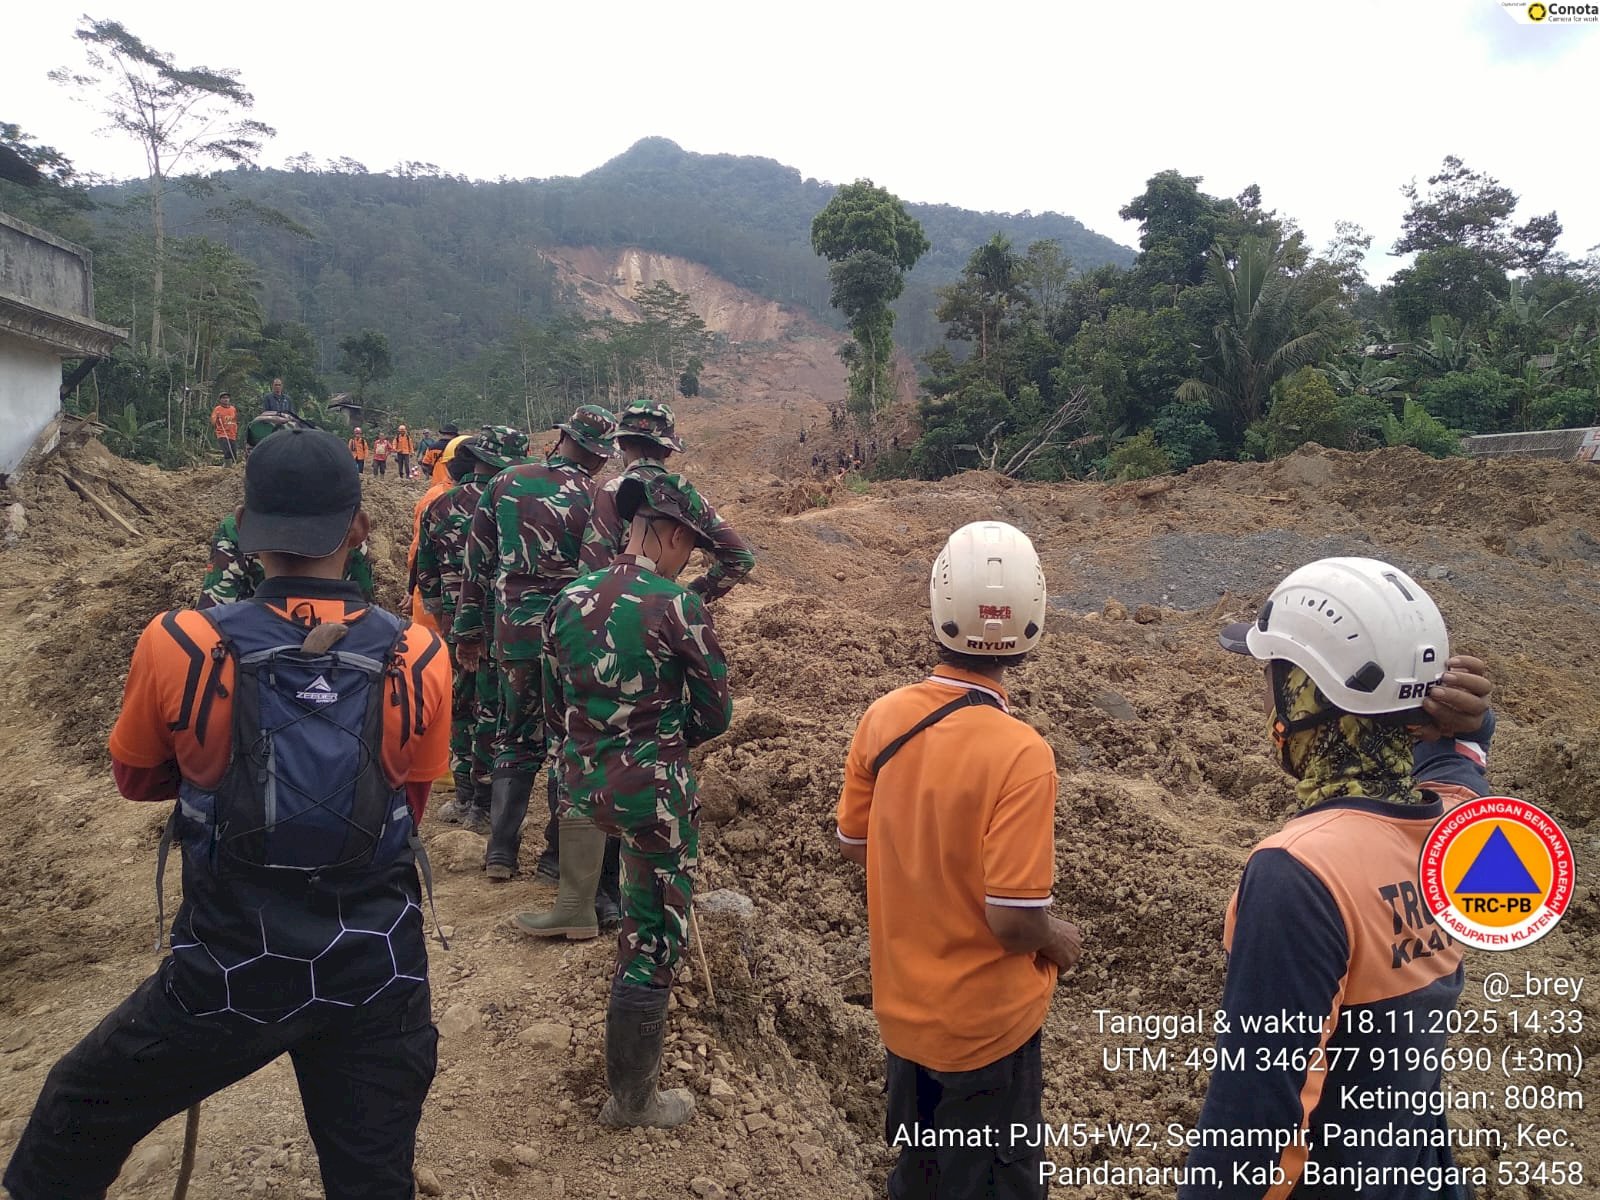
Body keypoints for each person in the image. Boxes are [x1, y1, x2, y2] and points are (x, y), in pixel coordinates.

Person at [3, 428, 450, 1200]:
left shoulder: (179, 641)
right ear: (359, 529)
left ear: (244, 528)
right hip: (376, 973)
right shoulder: (420, 654)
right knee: (373, 1180)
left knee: (75, 1112)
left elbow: (136, 780)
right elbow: (408, 804)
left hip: (229, 969)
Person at [1180, 557, 1496, 1200]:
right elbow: (1463, 759)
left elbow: (1251, 1136)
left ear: (1308, 698)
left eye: (1274, 679)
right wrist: (1472, 720)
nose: (1265, 701)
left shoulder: (1299, 875)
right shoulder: (1458, 828)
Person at [835, 521, 1082, 1200]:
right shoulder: (1021, 753)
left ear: (938, 608)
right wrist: (1059, 939)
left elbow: (853, 841)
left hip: (903, 1015)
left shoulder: (884, 718)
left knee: (920, 1175)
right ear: (1033, 619)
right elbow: (1014, 920)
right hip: (986, 1032)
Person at [522, 472, 732, 1129]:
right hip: (653, 796)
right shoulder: (677, 606)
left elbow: (553, 704)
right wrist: (665, 738)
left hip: (581, 787)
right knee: (649, 940)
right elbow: (716, 713)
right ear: (667, 535)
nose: (687, 559)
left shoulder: (566, 599)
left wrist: (593, 745)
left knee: (633, 918)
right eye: (687, 546)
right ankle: (635, 1102)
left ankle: (580, 906)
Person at [537, 398, 754, 922]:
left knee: (581, 740)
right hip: (658, 637)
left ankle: (578, 885)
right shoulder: (685, 500)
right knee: (644, 756)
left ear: (621, 445)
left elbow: (591, 567)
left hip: (589, 624)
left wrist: (599, 603)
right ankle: (622, 892)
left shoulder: (609, 492)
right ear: (667, 448)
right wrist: (688, 596)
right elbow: (739, 557)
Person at [454, 404, 618, 880]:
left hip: (514, 633)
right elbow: (598, 575)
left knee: (514, 734)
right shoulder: (598, 498)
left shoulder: (505, 483)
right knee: (567, 742)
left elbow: (476, 566)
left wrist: (468, 633)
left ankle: (501, 851)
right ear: (598, 455)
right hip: (569, 636)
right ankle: (554, 858)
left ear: (562, 438)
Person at [417, 427, 529, 833]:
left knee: (460, 705)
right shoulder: (512, 504)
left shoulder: (440, 505)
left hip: (455, 621)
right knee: (494, 710)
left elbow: (426, 574)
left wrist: (443, 615)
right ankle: (485, 803)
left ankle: (464, 795)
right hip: (503, 622)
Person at [210, 392, 238, 465]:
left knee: (234, 452)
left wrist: (235, 430)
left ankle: (233, 467)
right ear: (220, 400)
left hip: (232, 434)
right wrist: (217, 417)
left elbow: (235, 420)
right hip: (222, 433)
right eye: (224, 398)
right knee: (227, 450)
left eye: (227, 398)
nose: (226, 399)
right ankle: (228, 467)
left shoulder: (233, 409)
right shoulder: (217, 409)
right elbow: (213, 422)